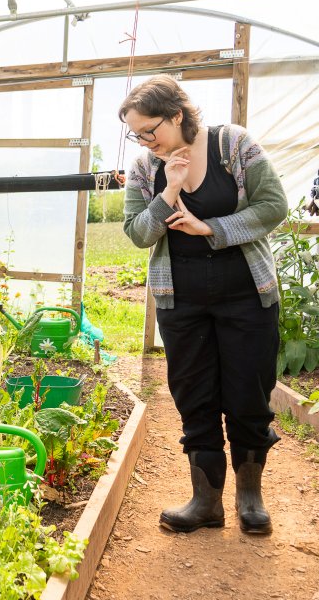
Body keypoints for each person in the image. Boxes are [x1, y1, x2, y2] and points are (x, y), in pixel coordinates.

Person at [119, 75, 288, 534]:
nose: (144, 141)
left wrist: (210, 227)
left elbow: (274, 205)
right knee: (194, 395)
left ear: (177, 115)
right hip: (182, 301)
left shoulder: (232, 145)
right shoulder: (143, 168)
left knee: (248, 394)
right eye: (136, 134)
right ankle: (205, 501)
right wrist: (169, 191)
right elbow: (137, 233)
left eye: (150, 130)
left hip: (247, 297)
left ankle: (249, 498)